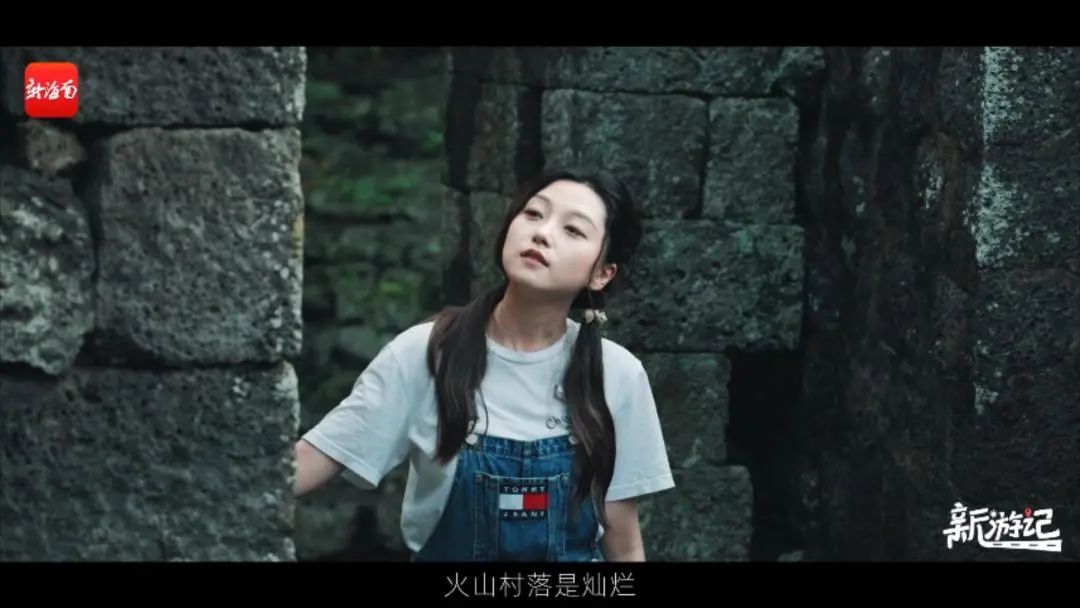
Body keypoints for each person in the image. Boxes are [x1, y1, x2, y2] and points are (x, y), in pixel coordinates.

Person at [294, 167, 675, 561]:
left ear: (601, 273)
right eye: (533, 213)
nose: (542, 233)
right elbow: (309, 462)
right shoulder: (424, 354)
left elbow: (624, 541)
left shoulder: (617, 374)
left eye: (573, 230)